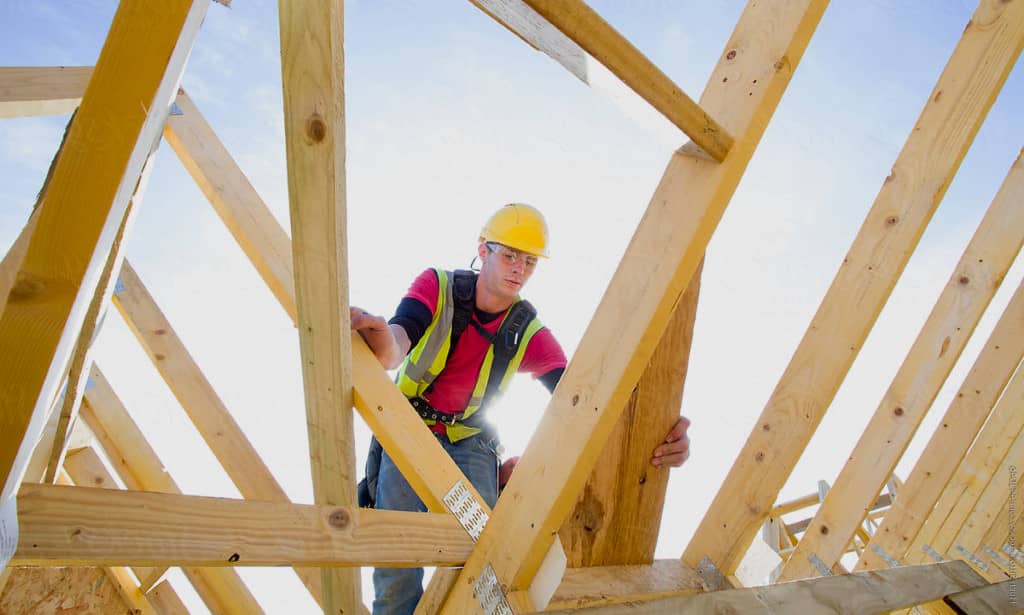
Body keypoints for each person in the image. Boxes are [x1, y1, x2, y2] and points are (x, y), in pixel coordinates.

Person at [351, 203, 690, 615]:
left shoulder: (526, 330)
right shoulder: (438, 286)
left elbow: (586, 404)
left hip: (471, 443)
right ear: (483, 249)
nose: (519, 269)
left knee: (487, 559)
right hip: (408, 428)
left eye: (530, 261)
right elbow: (398, 343)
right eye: (510, 254)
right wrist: (380, 338)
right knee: (396, 552)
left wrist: (656, 433)